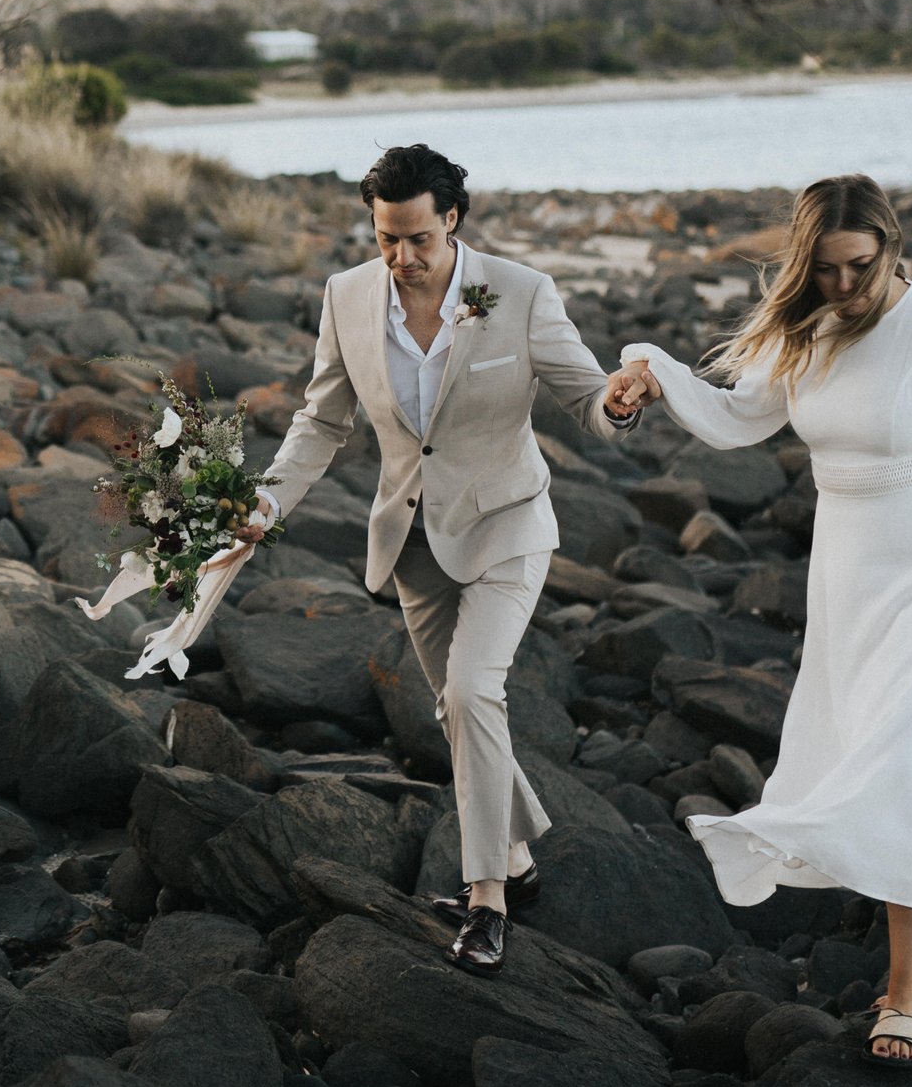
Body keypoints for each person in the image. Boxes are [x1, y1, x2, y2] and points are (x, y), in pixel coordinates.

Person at [604, 174, 912, 1070]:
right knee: (896, 760)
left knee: (904, 767)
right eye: (827, 269)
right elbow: (737, 419)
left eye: (859, 266)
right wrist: (657, 376)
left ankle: (905, 988)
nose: (844, 285)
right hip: (848, 571)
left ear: (891, 243)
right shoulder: (809, 327)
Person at [226, 144, 647, 975]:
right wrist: (266, 501)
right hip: (414, 542)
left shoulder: (519, 293)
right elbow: (321, 422)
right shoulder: (347, 297)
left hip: (507, 527)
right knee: (456, 714)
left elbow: (584, 396)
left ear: (451, 219)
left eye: (417, 238)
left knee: (470, 689)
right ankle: (520, 862)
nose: (402, 258)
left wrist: (619, 400)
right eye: (387, 238)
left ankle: (487, 897)